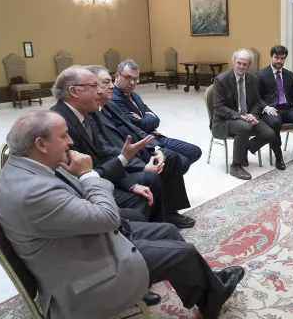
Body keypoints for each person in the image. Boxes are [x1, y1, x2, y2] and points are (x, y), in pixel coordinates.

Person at [0, 111, 245, 319]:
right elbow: (107, 217)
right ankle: (211, 298)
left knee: (168, 230)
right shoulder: (33, 191)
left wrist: (81, 192)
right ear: (41, 144)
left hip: (77, 244)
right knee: (184, 253)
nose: (70, 141)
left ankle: (207, 293)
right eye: (63, 136)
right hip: (81, 277)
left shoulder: (22, 167)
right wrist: (87, 174)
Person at [50, 66, 165, 224]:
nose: (99, 91)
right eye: (93, 86)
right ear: (74, 91)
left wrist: (131, 185)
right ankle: (142, 235)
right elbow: (76, 174)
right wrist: (124, 159)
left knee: (147, 184)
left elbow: (104, 152)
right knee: (140, 197)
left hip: (99, 175)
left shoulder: (88, 114)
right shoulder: (58, 123)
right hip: (82, 190)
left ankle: (155, 230)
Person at [87, 65, 195, 229]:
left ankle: (171, 212)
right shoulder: (93, 113)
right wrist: (143, 167)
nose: (110, 86)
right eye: (106, 82)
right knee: (161, 168)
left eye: (109, 82)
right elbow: (108, 151)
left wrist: (157, 148)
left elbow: (135, 128)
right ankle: (160, 215)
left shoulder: (109, 105)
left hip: (135, 148)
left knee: (170, 157)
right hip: (124, 159)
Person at [111, 59, 202, 172]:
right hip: (143, 142)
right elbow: (139, 124)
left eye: (135, 79)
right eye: (128, 78)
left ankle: (170, 177)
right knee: (181, 162)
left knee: (195, 151)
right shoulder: (114, 99)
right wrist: (146, 119)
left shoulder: (134, 95)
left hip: (155, 136)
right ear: (117, 76)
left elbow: (155, 119)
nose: (132, 83)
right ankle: (167, 180)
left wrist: (145, 119)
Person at [211, 49, 275, 180]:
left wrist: (253, 115)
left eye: (245, 64)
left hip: (247, 117)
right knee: (245, 127)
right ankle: (236, 165)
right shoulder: (221, 79)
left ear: (249, 65)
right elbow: (218, 107)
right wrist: (239, 116)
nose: (241, 66)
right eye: (239, 63)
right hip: (225, 120)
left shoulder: (253, 78)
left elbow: (257, 101)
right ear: (233, 62)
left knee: (269, 134)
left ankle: (244, 148)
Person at [256, 45, 293, 169]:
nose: (279, 61)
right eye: (276, 58)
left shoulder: (289, 75)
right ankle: (278, 156)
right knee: (274, 122)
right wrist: (266, 107)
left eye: (282, 58)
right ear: (271, 57)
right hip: (272, 110)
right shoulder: (261, 75)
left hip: (288, 109)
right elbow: (256, 98)